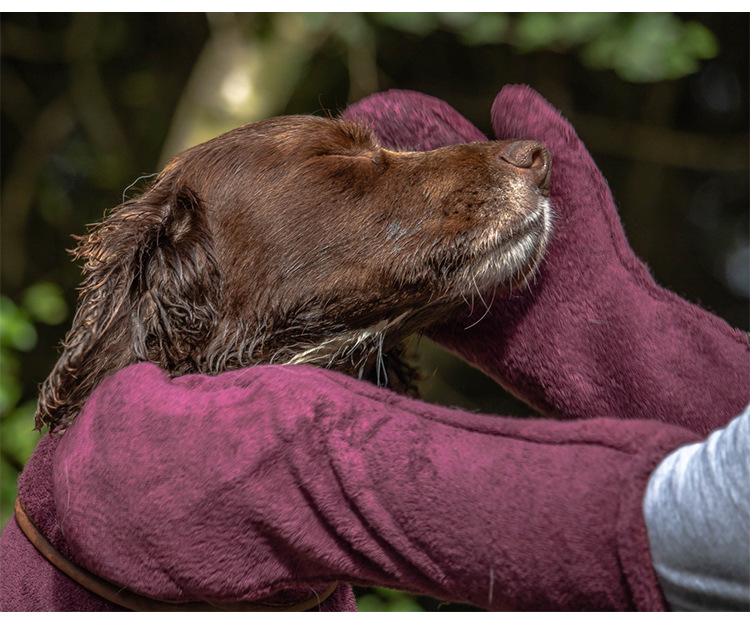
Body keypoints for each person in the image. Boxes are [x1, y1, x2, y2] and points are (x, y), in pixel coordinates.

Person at [1, 86, 747, 612]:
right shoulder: (120, 474)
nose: (524, 160)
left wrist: (612, 337)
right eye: (348, 166)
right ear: (192, 251)